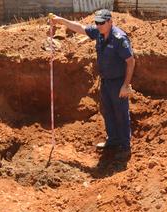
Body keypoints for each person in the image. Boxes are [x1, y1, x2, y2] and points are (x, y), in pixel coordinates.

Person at [50, 9, 135, 158]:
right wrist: (61, 20)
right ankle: (113, 140)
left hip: (118, 82)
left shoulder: (119, 38)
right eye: (97, 22)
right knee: (107, 111)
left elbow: (130, 62)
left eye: (102, 23)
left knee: (121, 113)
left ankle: (125, 147)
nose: (98, 25)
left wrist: (126, 85)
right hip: (105, 81)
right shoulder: (99, 34)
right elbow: (80, 28)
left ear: (110, 22)